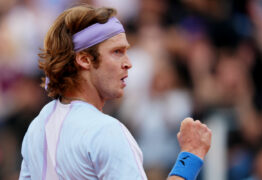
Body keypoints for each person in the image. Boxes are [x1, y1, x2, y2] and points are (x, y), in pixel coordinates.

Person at [19, 4, 212, 180]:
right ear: (84, 60)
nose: (128, 63)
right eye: (117, 52)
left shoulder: (37, 128)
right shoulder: (106, 131)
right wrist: (190, 156)